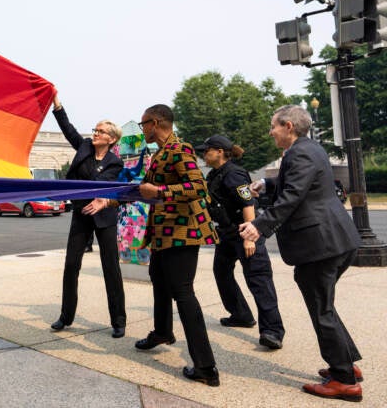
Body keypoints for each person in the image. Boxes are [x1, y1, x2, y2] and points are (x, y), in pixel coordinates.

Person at [239, 105, 362, 402]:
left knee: (322, 308)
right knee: (326, 305)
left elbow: (294, 195)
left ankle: (344, 380)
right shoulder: (309, 148)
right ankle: (348, 363)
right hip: (334, 240)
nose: (271, 132)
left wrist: (259, 226)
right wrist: (267, 183)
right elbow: (297, 183)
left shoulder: (300, 152)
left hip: (321, 245)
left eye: (273, 126)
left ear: (288, 126)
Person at [135, 104, 220, 387]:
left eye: (143, 124)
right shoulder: (160, 153)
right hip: (163, 234)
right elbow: (142, 188)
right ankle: (162, 332)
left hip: (183, 233)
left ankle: (206, 367)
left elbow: (198, 188)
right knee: (158, 278)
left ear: (156, 122)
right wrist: (107, 199)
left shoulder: (180, 149)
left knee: (183, 293)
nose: (142, 129)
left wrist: (160, 191)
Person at [197, 135, 285, 350]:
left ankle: (272, 331)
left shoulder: (234, 173)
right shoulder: (215, 174)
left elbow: (248, 204)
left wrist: (248, 237)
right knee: (222, 272)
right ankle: (240, 315)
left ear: (219, 151)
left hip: (245, 232)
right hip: (227, 234)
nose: (203, 154)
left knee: (258, 280)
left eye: (206, 150)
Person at [50, 94, 127, 338]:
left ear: (111, 139)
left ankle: (118, 320)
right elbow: (68, 129)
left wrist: (101, 199)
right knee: (71, 265)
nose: (95, 133)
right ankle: (66, 316)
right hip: (82, 214)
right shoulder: (83, 147)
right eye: (95, 129)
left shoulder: (116, 163)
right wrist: (57, 104)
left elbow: (102, 183)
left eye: (100, 131)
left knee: (110, 267)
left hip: (104, 217)